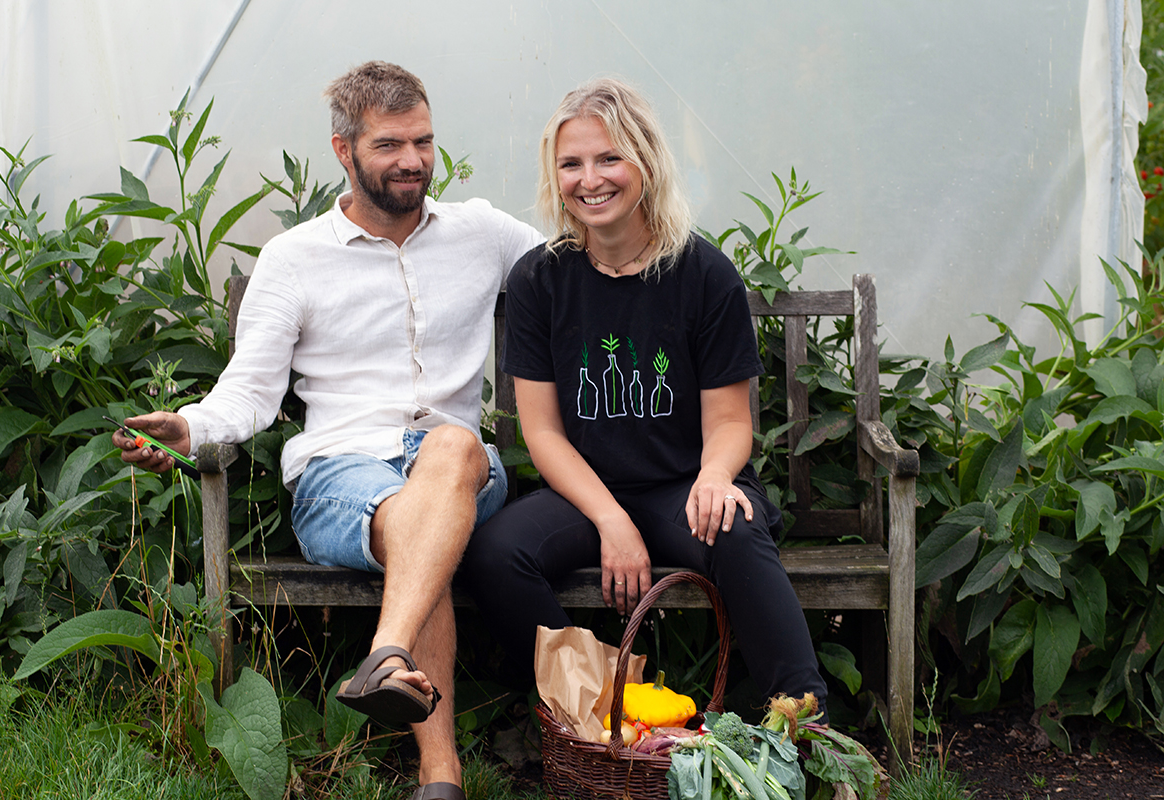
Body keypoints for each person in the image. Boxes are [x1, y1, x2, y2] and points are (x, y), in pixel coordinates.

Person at [114, 61, 542, 800]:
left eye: (424, 142)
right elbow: (249, 389)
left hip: (461, 468)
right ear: (344, 152)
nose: (413, 161)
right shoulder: (294, 259)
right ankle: (441, 776)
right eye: (389, 146)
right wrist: (188, 427)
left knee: (450, 449)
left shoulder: (483, 233)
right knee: (423, 532)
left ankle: (389, 661)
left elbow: (582, 273)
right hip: (341, 475)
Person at [461, 78, 827, 712]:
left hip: (685, 486)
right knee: (494, 554)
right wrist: (610, 519)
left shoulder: (702, 274)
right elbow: (542, 432)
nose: (589, 179)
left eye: (609, 158)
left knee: (736, 526)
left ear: (646, 163)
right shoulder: (540, 279)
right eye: (570, 164)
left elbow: (730, 419)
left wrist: (716, 477)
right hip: (586, 493)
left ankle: (805, 720)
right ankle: (604, 714)